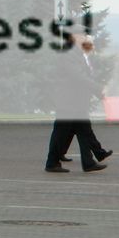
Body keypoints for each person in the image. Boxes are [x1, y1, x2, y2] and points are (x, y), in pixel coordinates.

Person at [45, 33, 107, 173]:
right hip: (68, 102)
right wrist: (98, 88)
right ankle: (52, 163)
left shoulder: (75, 53)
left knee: (84, 130)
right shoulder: (68, 53)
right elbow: (78, 76)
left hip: (76, 103)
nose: (84, 38)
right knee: (60, 133)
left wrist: (98, 92)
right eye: (81, 36)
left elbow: (83, 75)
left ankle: (89, 161)